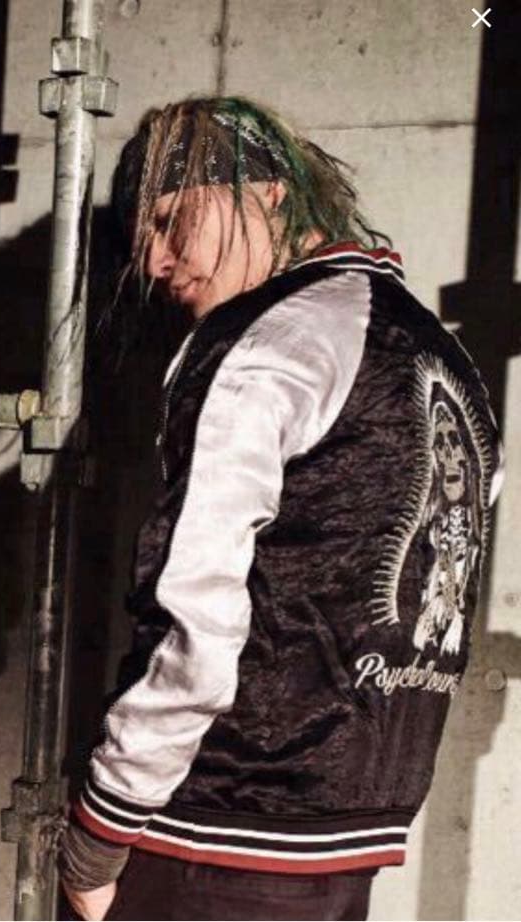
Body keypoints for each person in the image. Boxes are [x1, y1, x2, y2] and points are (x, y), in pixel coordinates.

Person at [58, 96, 504, 921]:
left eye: (172, 220)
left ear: (267, 193)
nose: (155, 261)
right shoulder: (445, 360)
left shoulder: (262, 345)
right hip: (345, 838)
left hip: (213, 833)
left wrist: (101, 827)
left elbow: (193, 614)